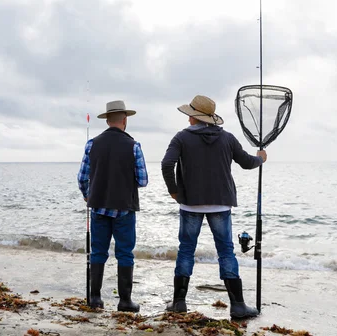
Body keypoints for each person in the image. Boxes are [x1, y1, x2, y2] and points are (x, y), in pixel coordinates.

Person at [161, 95, 266, 319]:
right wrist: (260, 159)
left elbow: (167, 163)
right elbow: (247, 162)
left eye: (190, 113)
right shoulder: (227, 138)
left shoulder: (181, 137)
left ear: (193, 117)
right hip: (221, 202)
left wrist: (174, 190)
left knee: (186, 250)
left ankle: (179, 302)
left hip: (190, 204)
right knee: (226, 251)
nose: (188, 117)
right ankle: (237, 305)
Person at [78, 100, 148, 312]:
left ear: (107, 120)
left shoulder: (92, 144)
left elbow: (82, 178)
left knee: (98, 252)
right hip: (124, 208)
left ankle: (95, 298)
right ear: (125, 120)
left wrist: (87, 195)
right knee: (125, 253)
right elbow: (143, 180)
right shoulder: (134, 146)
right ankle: (125, 301)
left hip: (98, 207)